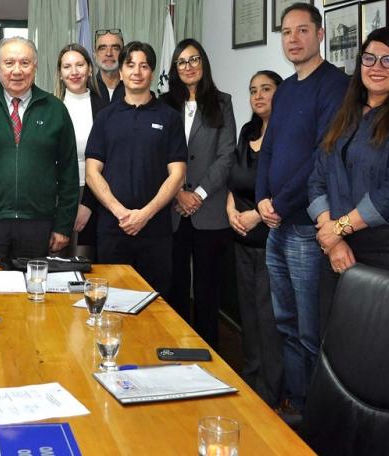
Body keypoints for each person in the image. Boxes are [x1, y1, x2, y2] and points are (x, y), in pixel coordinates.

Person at [255, 2, 349, 416]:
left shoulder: (336, 86)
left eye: (302, 31)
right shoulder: (287, 88)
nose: (293, 39)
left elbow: (320, 157)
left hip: (308, 228)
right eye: (286, 32)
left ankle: (318, 417)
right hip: (276, 226)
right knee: (286, 325)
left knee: (312, 331)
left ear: (320, 34)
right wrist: (262, 198)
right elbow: (269, 148)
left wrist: (279, 203)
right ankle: (295, 404)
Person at [308, 27, 389, 329]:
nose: (377, 67)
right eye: (369, 58)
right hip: (336, 248)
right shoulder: (346, 114)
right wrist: (333, 239)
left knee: (378, 348)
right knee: (332, 341)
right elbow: (317, 179)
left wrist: (337, 229)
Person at [0, 37, 78, 266]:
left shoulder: (55, 109)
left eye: (25, 63)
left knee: (35, 287)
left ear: (35, 66)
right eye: (9, 63)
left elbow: (69, 174)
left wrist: (63, 226)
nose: (17, 71)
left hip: (39, 223)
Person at [85, 41, 187, 299]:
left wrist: (145, 214)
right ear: (120, 72)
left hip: (156, 230)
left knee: (156, 304)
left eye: (144, 66)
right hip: (113, 229)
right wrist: (121, 213)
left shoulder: (170, 118)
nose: (137, 72)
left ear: (152, 72)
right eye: (130, 65)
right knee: (112, 302)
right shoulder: (105, 117)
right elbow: (92, 173)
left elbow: (177, 175)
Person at [162, 39, 236, 348]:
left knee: (207, 290)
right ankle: (176, 349)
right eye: (181, 62)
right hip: (173, 211)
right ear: (174, 69)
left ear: (203, 63)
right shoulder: (164, 104)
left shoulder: (222, 103)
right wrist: (178, 192)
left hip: (210, 210)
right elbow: (159, 154)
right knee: (176, 287)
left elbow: (227, 155)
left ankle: (209, 355)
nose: (188, 66)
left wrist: (199, 193)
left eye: (194, 60)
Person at [226, 70, 284, 407]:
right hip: (241, 240)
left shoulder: (286, 137)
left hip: (270, 241)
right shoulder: (247, 133)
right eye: (253, 91)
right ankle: (250, 384)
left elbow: (290, 187)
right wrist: (230, 209)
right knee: (248, 316)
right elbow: (234, 180)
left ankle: (270, 394)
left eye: (266, 89)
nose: (258, 96)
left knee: (268, 319)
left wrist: (256, 216)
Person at [54, 43, 108, 259]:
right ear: (60, 73)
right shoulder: (49, 106)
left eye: (80, 65)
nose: (74, 72)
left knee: (83, 262)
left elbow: (109, 162)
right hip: (54, 196)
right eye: (67, 67)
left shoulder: (104, 109)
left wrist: (87, 205)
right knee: (54, 262)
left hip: (92, 194)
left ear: (90, 69)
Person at [93, 28, 126, 103]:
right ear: (95, 55)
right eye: (102, 48)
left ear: (123, 54)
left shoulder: (133, 89)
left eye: (115, 48)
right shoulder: (85, 89)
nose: (109, 53)